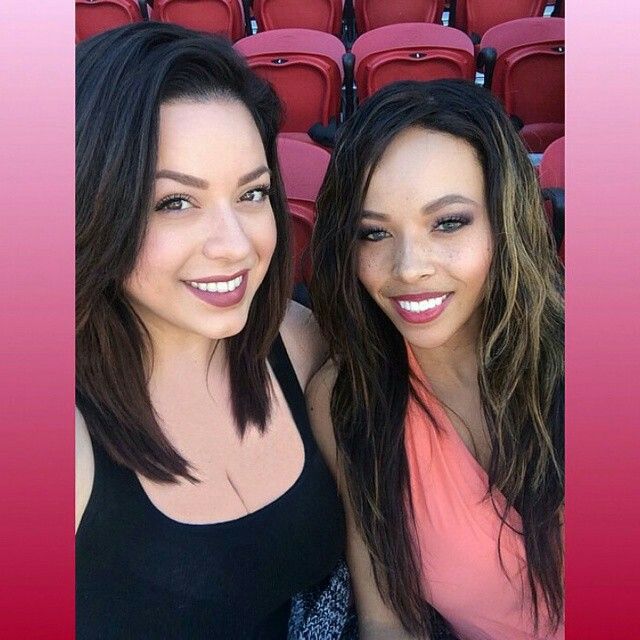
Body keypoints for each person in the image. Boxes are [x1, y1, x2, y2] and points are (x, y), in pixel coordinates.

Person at [75, 23, 345, 639]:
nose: (236, 245)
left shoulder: (299, 342)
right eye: (175, 202)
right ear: (92, 207)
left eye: (253, 193)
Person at [308, 80, 564, 640]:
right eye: (373, 233)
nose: (408, 267)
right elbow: (385, 613)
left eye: (448, 222)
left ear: (506, 220)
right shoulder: (349, 401)